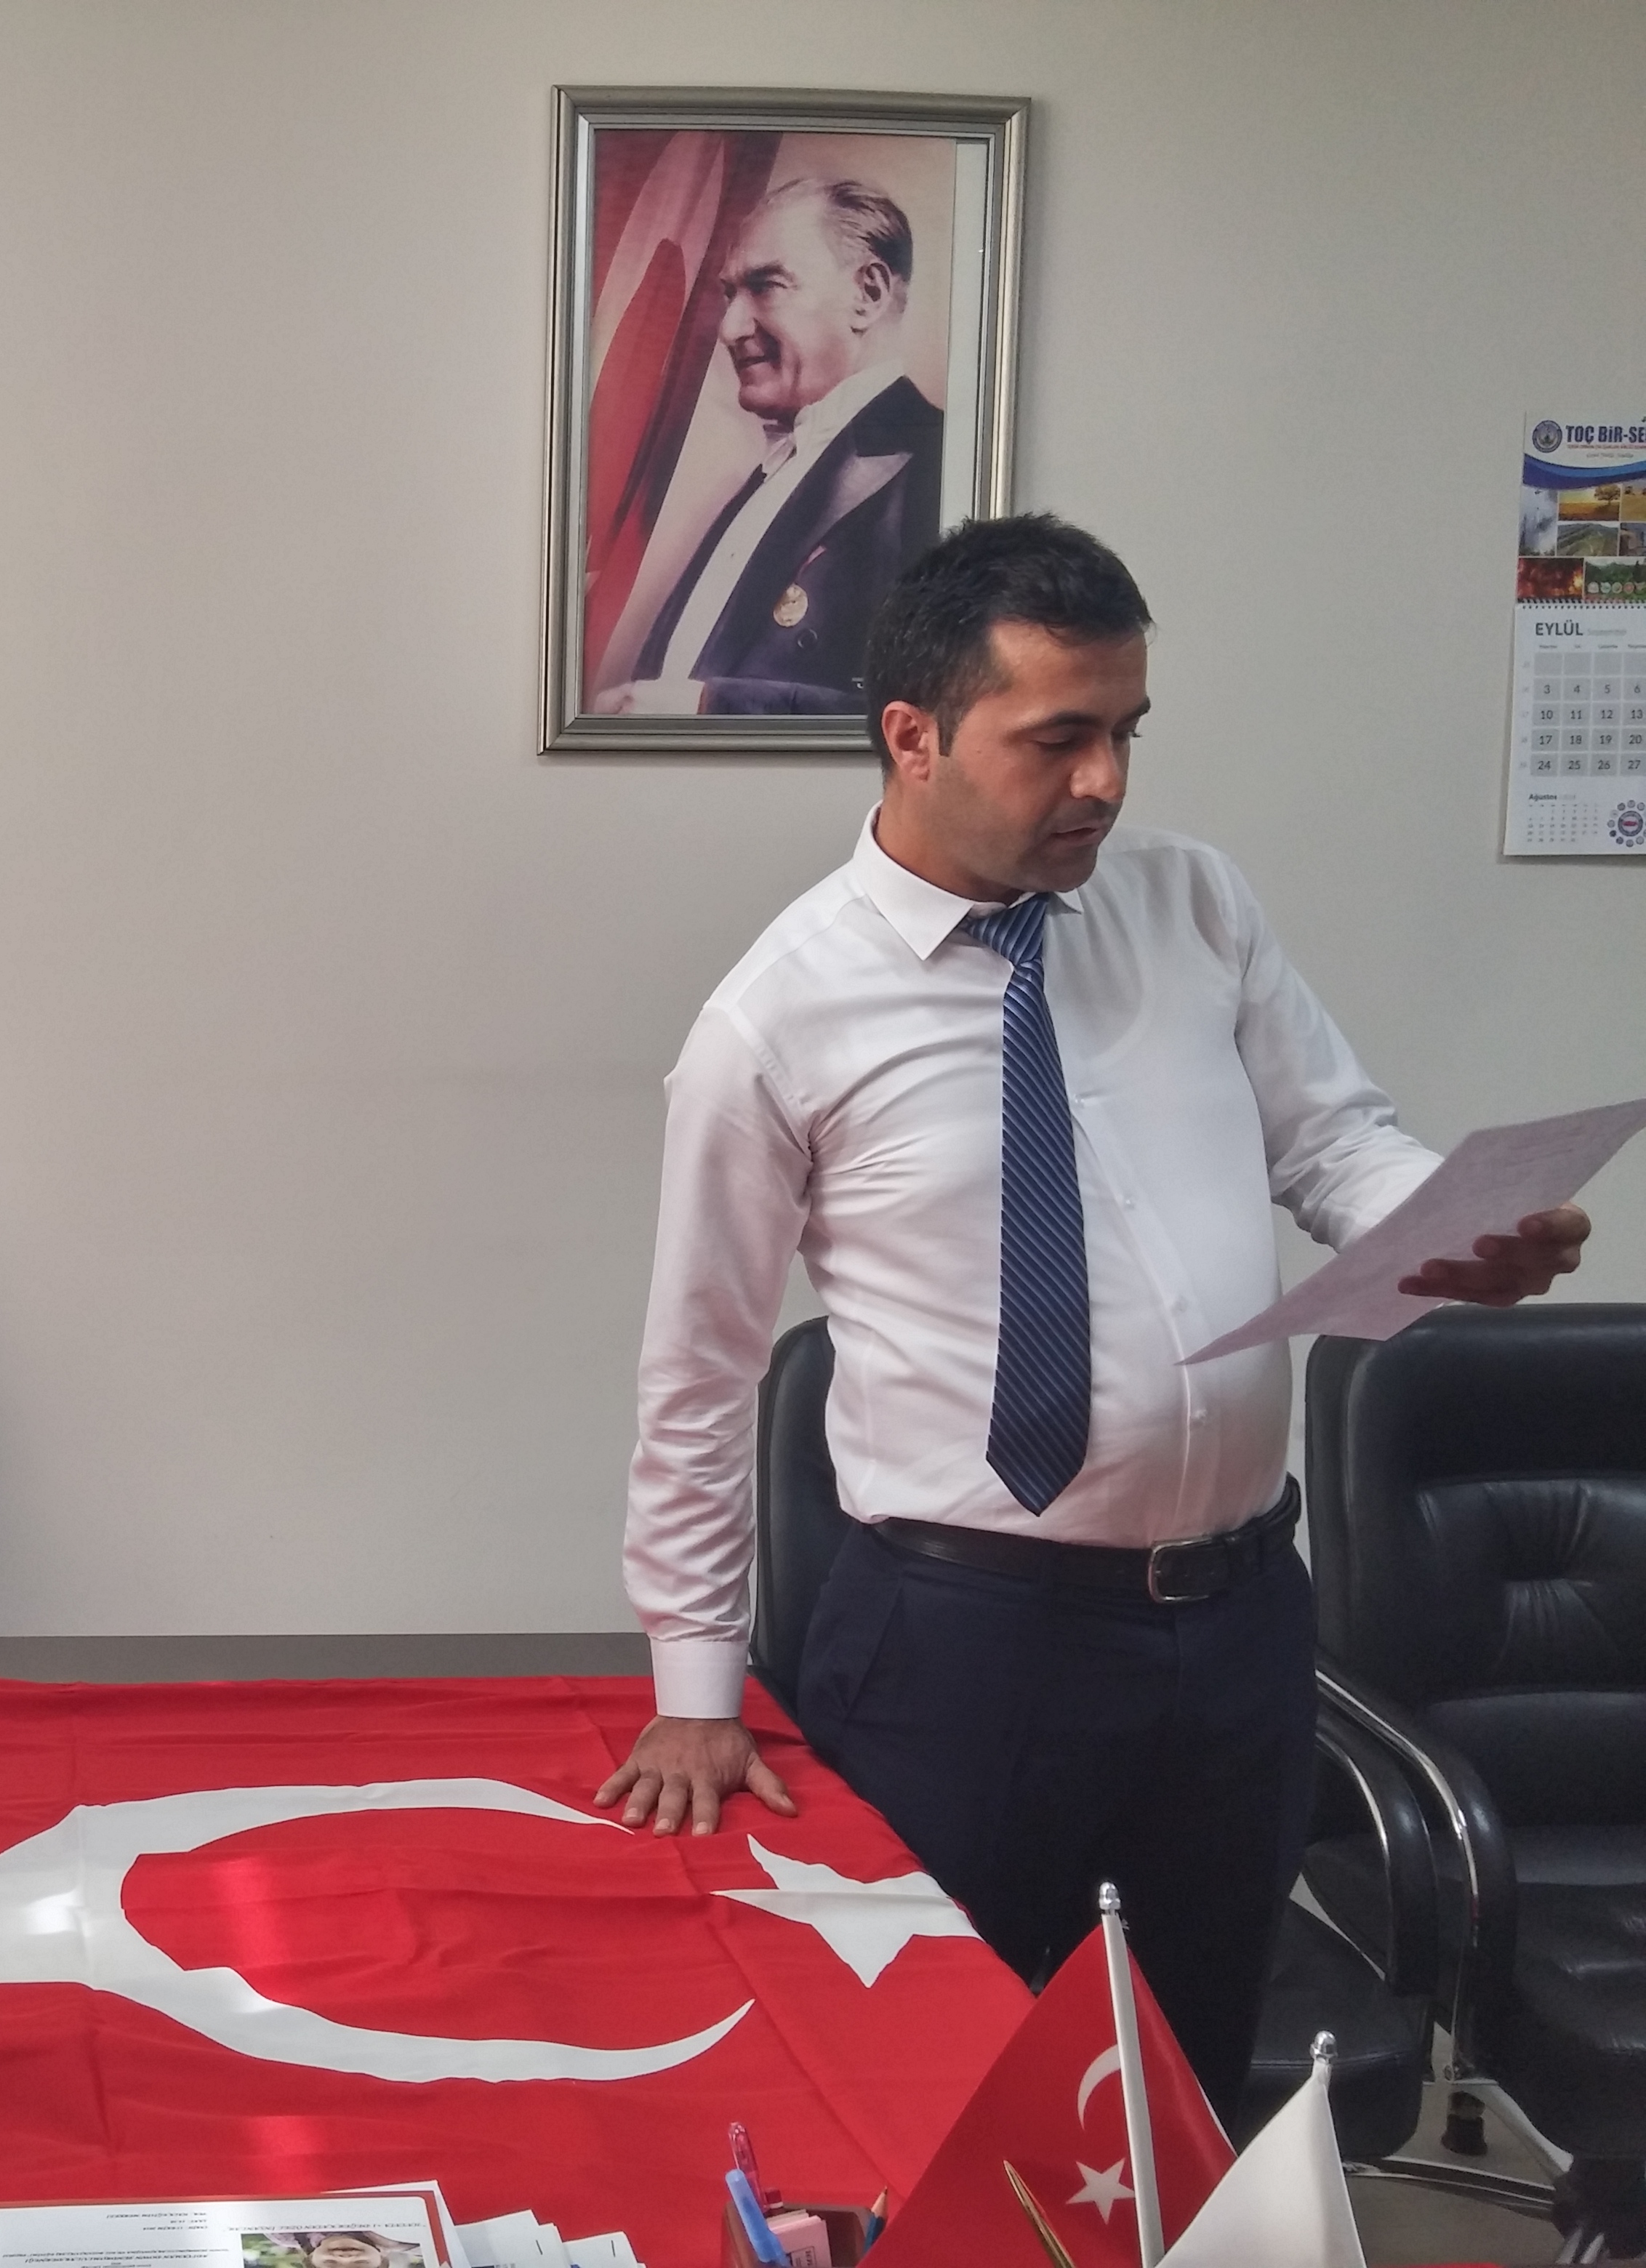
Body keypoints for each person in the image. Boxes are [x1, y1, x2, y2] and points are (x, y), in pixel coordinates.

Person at [599, 515, 1591, 2110]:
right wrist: (694, 1689)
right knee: (932, 2095)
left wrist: (1438, 1229)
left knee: (1176, 2090)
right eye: (1057, 738)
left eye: (1126, 732)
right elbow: (702, 1371)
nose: (1105, 783)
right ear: (913, 735)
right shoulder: (775, 1020)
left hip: (1236, 1623)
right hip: (961, 1646)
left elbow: (1332, 1140)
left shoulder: (1190, 905)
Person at [594, 178, 944, 717]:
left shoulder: (938, 465)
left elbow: (941, 715)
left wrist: (711, 707)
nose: (729, 328)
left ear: (868, 295)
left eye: (767, 286)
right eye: (729, 295)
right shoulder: (777, 466)